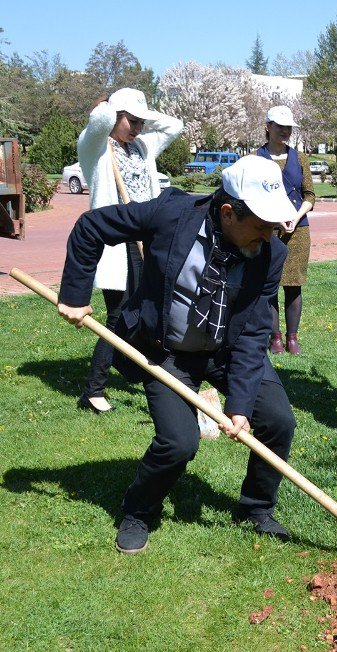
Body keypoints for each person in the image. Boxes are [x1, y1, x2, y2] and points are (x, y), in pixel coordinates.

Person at [57, 156, 300, 554]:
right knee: (179, 443)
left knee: (278, 421)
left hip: (225, 350)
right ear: (227, 212)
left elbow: (255, 331)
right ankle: (138, 510)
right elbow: (92, 227)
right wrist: (74, 294)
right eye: (261, 226)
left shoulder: (270, 254)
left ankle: (256, 508)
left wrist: (239, 405)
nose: (270, 235)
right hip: (165, 351)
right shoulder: (170, 214)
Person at [76, 88, 183, 413]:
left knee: (152, 307)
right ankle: (93, 390)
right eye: (131, 121)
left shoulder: (142, 146)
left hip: (146, 238)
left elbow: (173, 125)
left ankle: (142, 369)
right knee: (118, 315)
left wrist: (139, 117)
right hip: (115, 242)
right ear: (115, 116)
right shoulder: (95, 148)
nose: (137, 127)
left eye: (141, 121)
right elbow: (100, 121)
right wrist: (109, 107)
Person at [257, 105, 314, 356]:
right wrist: (275, 220)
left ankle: (292, 338)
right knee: (269, 284)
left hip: (298, 230)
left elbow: (309, 195)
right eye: (280, 126)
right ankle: (275, 338)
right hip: (265, 231)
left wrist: (295, 215)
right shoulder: (254, 159)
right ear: (268, 127)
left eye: (288, 127)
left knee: (293, 285)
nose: (285, 131)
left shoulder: (300, 159)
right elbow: (249, 198)